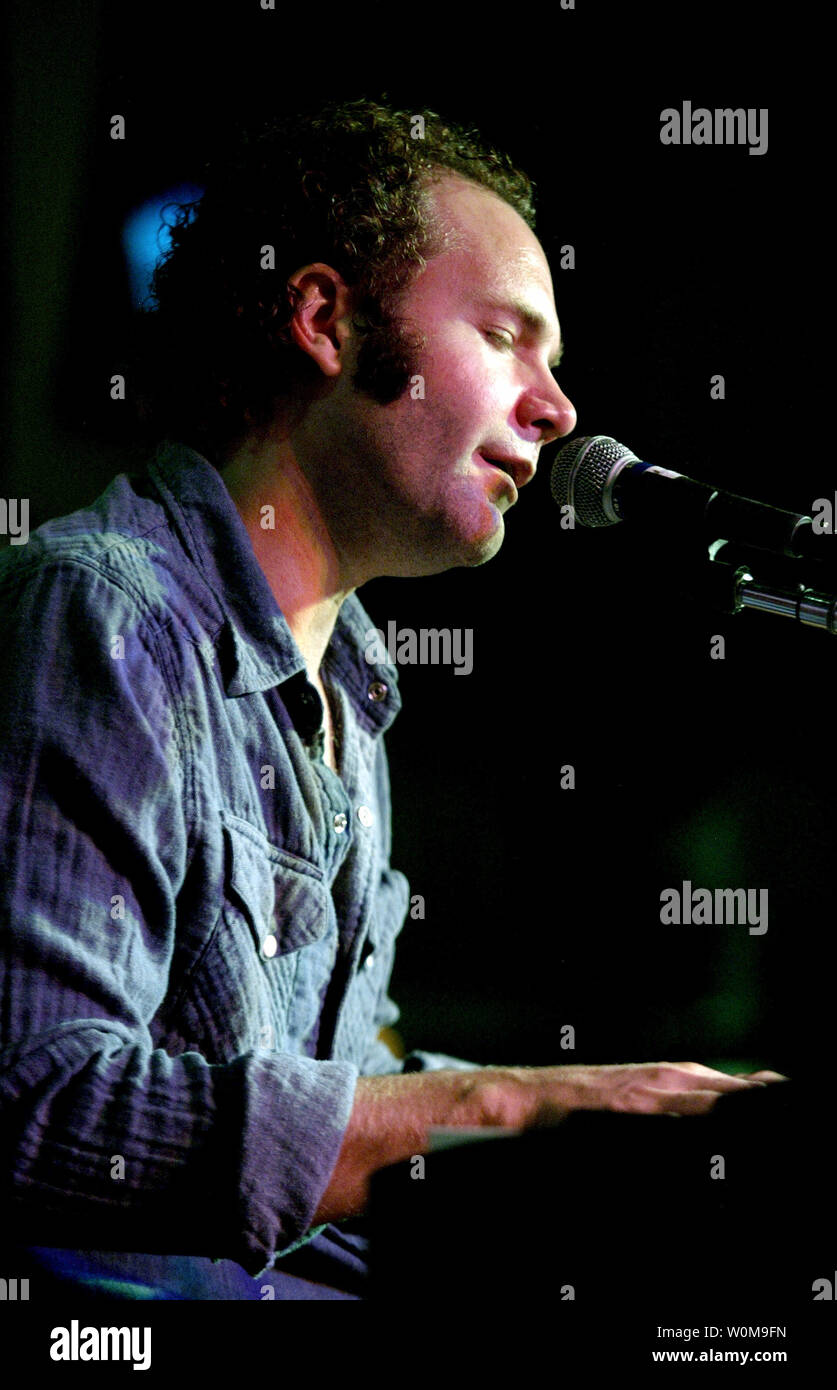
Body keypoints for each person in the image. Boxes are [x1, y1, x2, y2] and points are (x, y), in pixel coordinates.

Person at [0, 98, 782, 1301]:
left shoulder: (350, 679)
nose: (559, 411)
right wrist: (507, 1104)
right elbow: (42, 1112)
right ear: (323, 320)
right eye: (506, 336)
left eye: (554, 363)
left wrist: (622, 1127)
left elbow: (327, 1072)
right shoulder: (100, 614)